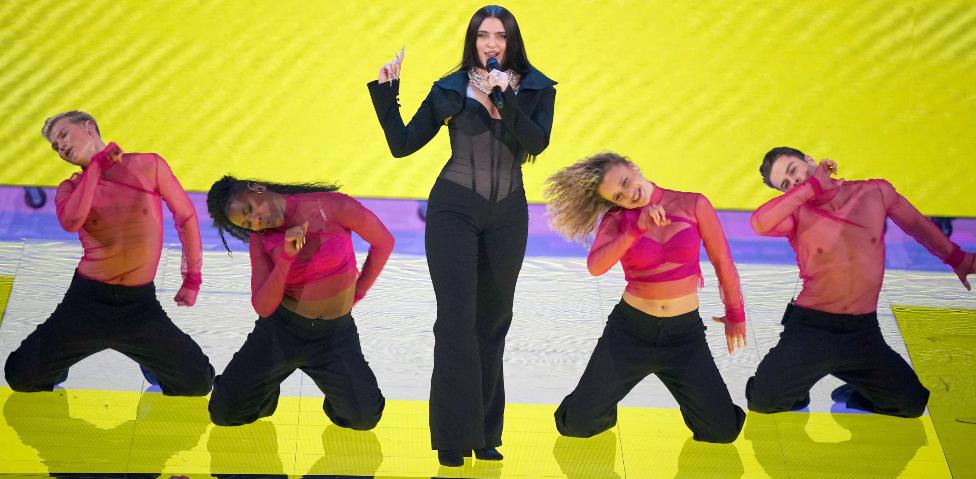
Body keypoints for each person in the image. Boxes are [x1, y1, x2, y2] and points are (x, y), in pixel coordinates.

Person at [366, 4, 557, 466]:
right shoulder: (451, 89)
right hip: (454, 209)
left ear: (512, 41)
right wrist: (387, 93)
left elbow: (536, 143)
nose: (492, 43)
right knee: (455, 324)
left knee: (492, 324)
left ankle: (486, 434)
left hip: (509, 215)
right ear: (472, 41)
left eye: (501, 35)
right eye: (483, 35)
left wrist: (504, 97)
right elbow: (402, 144)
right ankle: (452, 438)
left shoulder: (535, 87)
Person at [746, 146, 975, 417]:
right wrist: (809, 188)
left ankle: (856, 391)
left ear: (809, 159)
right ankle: (797, 390)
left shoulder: (874, 192)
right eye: (785, 184)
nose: (793, 181)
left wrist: (957, 258)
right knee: (763, 401)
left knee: (911, 404)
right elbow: (759, 223)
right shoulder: (795, 215)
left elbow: (916, 225)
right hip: (811, 329)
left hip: (862, 331)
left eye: (793, 170)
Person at [4, 111, 214, 396]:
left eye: (63, 135)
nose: (60, 147)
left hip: (138, 304)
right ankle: (60, 361)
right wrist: (95, 169)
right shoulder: (70, 188)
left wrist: (192, 278)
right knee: (20, 376)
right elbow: (71, 221)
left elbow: (186, 216)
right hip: (87, 301)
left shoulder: (147, 165)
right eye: (54, 146)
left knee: (197, 382)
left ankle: (149, 361)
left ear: (89, 127)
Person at [545, 151, 747, 444]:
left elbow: (723, 261)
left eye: (626, 181)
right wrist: (635, 230)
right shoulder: (618, 220)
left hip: (683, 335)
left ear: (634, 167)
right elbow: (596, 266)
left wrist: (735, 313)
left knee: (722, 432)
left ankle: (704, 406)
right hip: (630, 332)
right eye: (619, 195)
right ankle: (598, 404)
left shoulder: (693, 204)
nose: (629, 193)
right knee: (576, 425)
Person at [205, 176, 392, 430]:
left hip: (334, 336)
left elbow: (383, 242)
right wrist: (285, 258)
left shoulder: (333, 207)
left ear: (257, 189)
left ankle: (335, 395)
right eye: (248, 223)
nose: (256, 221)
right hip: (282, 331)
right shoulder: (262, 241)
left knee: (365, 418)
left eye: (250, 210)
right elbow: (263, 307)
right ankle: (266, 396)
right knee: (224, 413)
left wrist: (357, 293)